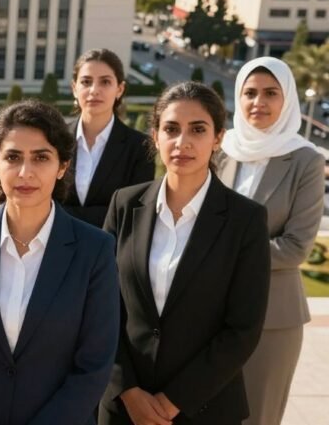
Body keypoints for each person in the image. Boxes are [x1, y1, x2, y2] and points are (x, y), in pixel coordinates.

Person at [0, 100, 120, 425]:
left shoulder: (95, 250)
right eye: (13, 157)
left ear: (62, 166)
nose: (25, 172)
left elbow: (93, 365)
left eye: (41, 157)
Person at [101, 82, 271, 425]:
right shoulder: (124, 204)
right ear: (155, 135)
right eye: (171, 129)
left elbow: (243, 328)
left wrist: (173, 401)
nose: (183, 142)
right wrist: (127, 389)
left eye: (198, 129)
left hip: (206, 408)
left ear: (218, 137)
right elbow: (100, 307)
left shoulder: (246, 219)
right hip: (125, 408)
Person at [216, 58, 323, 425]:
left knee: (257, 417)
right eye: (249, 92)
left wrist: (222, 255)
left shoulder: (305, 161)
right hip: (210, 313)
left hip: (272, 318)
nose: (258, 101)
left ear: (286, 99)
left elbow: (296, 247)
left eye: (270, 93)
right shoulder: (221, 151)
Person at [60, 49, 154, 228]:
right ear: (74, 88)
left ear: (120, 89)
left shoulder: (139, 147)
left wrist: (64, 215)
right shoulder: (55, 140)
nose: (94, 90)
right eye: (86, 82)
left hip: (111, 252)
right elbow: (40, 203)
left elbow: (134, 212)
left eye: (105, 82)